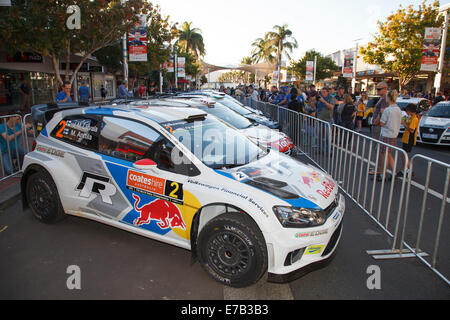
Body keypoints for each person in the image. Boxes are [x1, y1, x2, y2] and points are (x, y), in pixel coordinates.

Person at [377, 90, 402, 182]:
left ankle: (383, 174)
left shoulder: (388, 110)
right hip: (394, 134)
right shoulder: (398, 109)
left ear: (389, 98)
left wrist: (381, 114)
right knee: (389, 154)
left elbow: (382, 123)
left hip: (386, 134)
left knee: (385, 154)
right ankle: (394, 172)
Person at [398, 104, 419, 178]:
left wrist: (404, 124)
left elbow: (412, 130)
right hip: (406, 138)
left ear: (410, 111)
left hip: (409, 139)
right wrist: (404, 120)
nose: (406, 112)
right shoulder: (410, 117)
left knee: (405, 155)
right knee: (403, 155)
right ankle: (405, 169)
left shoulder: (414, 119)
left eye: (407, 111)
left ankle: (408, 170)